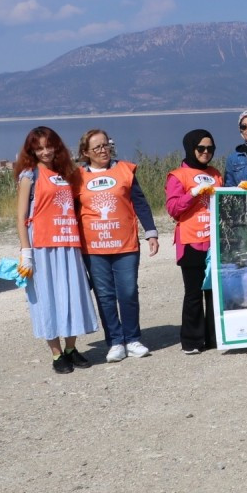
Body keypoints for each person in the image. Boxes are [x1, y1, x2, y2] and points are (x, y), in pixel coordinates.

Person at [15, 127, 98, 374]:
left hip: (67, 241)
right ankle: (56, 353)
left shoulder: (65, 173)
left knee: (72, 293)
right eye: (39, 148)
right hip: (41, 245)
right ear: (32, 150)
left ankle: (71, 348)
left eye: (48, 146)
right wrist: (25, 252)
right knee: (47, 296)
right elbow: (20, 217)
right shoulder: (29, 175)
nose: (45, 152)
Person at [76, 129, 160, 363]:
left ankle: (132, 339)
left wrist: (151, 232)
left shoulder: (125, 170)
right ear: (85, 153)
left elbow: (140, 203)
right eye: (97, 147)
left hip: (125, 244)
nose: (103, 150)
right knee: (104, 296)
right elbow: (72, 211)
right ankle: (115, 341)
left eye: (106, 145)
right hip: (93, 247)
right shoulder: (77, 176)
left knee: (128, 292)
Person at [165, 129, 223, 354]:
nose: (206, 152)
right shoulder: (178, 175)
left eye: (210, 148)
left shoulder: (216, 173)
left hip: (213, 240)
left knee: (214, 291)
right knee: (193, 292)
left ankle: (215, 337)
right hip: (190, 241)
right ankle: (192, 340)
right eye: (201, 148)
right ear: (191, 148)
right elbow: (173, 209)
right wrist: (193, 194)